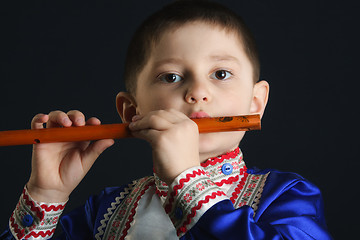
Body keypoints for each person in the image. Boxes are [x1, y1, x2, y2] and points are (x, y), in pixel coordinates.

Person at [1, 0, 332, 239]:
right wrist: (46, 193)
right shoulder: (105, 210)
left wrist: (186, 179)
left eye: (221, 73)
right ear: (132, 112)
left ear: (256, 103)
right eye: (171, 77)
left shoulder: (288, 195)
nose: (198, 92)